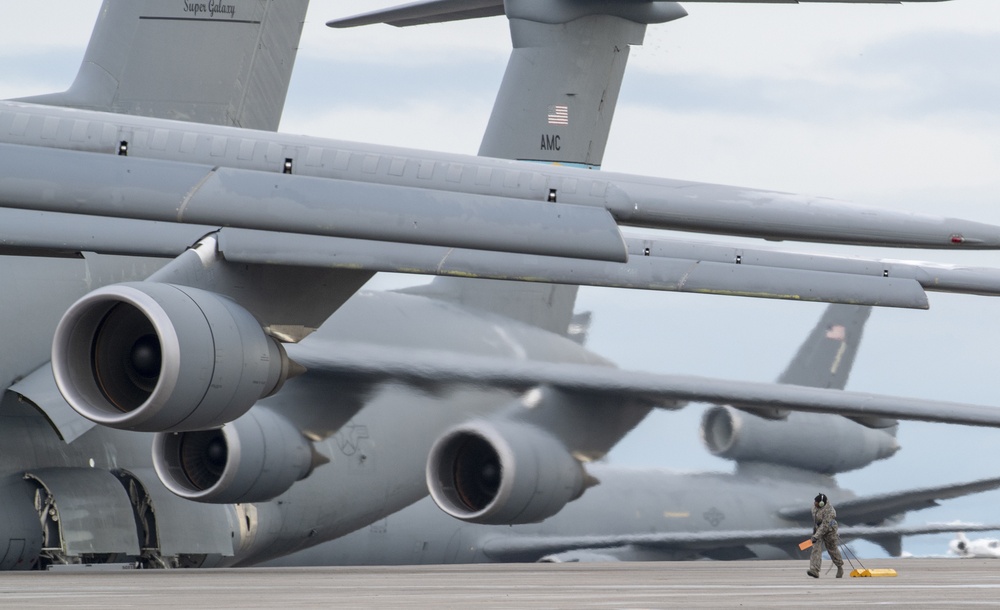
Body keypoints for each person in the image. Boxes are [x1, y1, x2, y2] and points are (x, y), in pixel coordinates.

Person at [807, 493, 844, 578]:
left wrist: (816, 536)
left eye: (816, 502)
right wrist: (814, 534)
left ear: (821, 503)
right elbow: (816, 522)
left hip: (830, 530)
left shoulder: (829, 511)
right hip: (819, 528)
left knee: (832, 549)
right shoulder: (814, 508)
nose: (814, 503)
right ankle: (814, 570)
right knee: (816, 549)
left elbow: (825, 526)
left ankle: (839, 567)